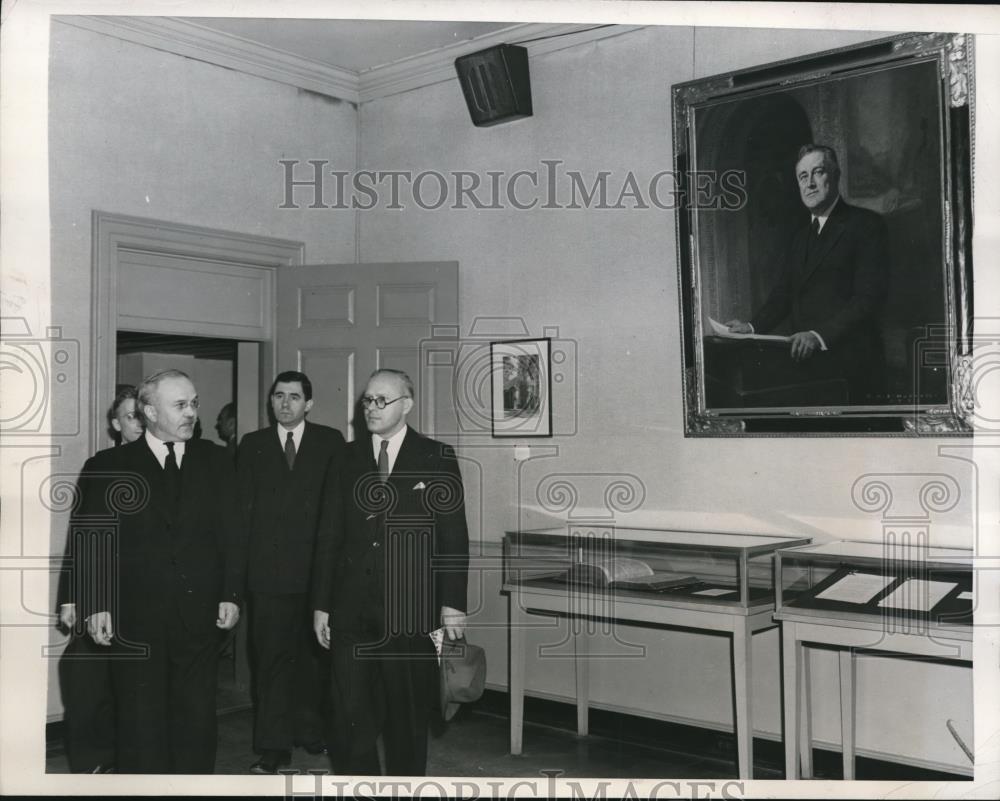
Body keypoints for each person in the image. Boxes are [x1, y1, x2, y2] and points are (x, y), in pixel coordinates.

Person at [75, 368, 245, 773]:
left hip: (199, 617)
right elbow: (92, 541)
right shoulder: (109, 464)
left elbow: (235, 534)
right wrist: (96, 603)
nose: (191, 413)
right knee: (139, 723)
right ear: (149, 411)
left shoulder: (217, 461)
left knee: (196, 721)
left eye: (194, 403)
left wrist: (231, 594)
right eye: (180, 405)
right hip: (136, 620)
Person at [312, 369, 469, 776]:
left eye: (382, 400)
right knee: (348, 718)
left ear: (407, 405)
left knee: (408, 720)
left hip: (411, 615)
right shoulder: (344, 458)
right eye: (367, 400)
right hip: (350, 612)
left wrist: (453, 603)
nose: (372, 408)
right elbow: (328, 535)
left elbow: (454, 536)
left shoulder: (436, 457)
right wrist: (321, 605)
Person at [237, 371, 346, 774]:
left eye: (294, 397)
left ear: (309, 404)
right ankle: (273, 747)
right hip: (267, 579)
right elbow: (241, 515)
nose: (285, 404)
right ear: (271, 402)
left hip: (319, 576)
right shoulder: (252, 446)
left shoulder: (331, 442)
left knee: (317, 660)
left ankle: (310, 730)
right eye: (278, 396)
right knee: (271, 663)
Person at [726, 144, 889, 404]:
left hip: (852, 365)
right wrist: (751, 326)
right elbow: (783, 293)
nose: (810, 183)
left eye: (818, 172)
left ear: (835, 176)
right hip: (806, 364)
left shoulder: (867, 225)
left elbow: (868, 299)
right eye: (803, 177)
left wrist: (818, 335)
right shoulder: (801, 237)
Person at [56, 385, 143, 773]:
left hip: (148, 599)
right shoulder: (101, 464)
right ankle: (93, 767)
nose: (139, 424)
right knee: (86, 681)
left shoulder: (174, 465)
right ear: (115, 424)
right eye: (130, 417)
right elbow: (82, 534)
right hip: (103, 594)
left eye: (144, 415)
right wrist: (73, 597)